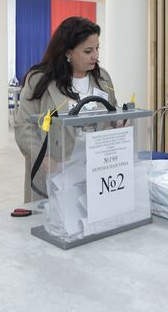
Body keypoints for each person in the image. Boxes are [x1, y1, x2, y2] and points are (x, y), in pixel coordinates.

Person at [15, 16, 117, 202]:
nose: (96, 56)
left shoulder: (103, 79)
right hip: (54, 174)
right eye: (88, 51)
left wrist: (120, 123)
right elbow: (23, 127)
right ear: (67, 53)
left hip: (97, 173)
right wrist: (43, 159)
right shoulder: (38, 80)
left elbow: (112, 117)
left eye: (97, 49)